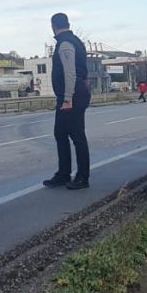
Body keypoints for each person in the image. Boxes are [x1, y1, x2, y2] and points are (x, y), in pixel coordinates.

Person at [43, 13, 91, 190]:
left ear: (53, 25)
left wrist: (68, 98)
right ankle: (64, 174)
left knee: (76, 135)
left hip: (70, 96)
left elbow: (70, 73)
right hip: (75, 93)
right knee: (61, 133)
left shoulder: (65, 44)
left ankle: (81, 177)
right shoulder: (75, 40)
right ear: (68, 23)